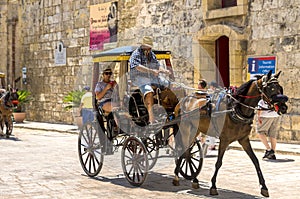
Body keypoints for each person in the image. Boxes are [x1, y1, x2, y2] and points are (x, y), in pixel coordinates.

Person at [129, 36, 170, 125]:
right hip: (138, 77)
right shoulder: (136, 54)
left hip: (151, 77)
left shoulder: (151, 54)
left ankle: (167, 108)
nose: (149, 48)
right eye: (148, 46)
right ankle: (151, 118)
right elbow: (137, 67)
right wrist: (151, 71)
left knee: (168, 84)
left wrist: (164, 70)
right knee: (149, 91)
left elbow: (157, 65)